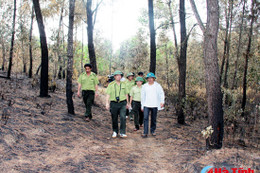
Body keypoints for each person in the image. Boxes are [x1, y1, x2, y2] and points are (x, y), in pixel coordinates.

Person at [106, 70, 130, 138]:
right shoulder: (111, 85)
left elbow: (126, 94)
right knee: (114, 117)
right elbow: (108, 94)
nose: (118, 77)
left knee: (123, 117)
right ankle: (115, 131)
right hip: (114, 103)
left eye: (120, 75)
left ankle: (122, 132)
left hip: (122, 103)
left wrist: (127, 103)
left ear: (121, 77)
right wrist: (107, 103)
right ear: (114, 76)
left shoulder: (124, 84)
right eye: (117, 75)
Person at [141, 72, 165, 138]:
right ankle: (145, 132)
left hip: (155, 104)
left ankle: (153, 130)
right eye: (149, 78)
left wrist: (162, 102)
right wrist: (142, 105)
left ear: (154, 78)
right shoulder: (144, 86)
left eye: (151, 78)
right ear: (147, 79)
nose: (150, 79)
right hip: (146, 104)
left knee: (153, 118)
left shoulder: (157, 86)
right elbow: (142, 96)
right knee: (145, 118)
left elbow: (161, 94)